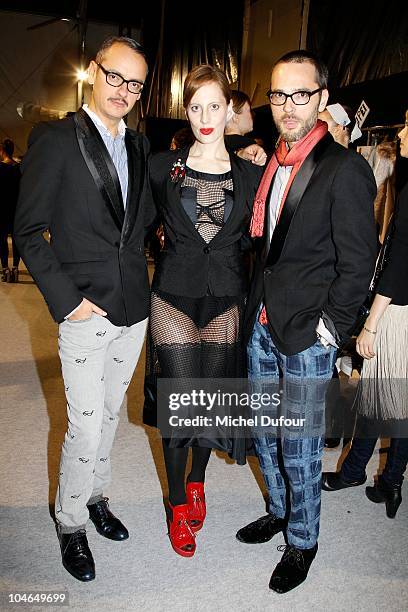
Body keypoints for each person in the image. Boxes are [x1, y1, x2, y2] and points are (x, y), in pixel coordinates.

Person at [235, 50, 377, 593]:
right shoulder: (273, 161)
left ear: (321, 99)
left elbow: (358, 261)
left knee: (299, 445)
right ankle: (277, 508)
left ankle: (303, 540)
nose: (287, 106)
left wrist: (330, 330)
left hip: (307, 334)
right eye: (278, 94)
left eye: (300, 94)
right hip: (263, 323)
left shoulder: (345, 169)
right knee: (265, 433)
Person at [14, 36, 154, 582]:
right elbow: (27, 231)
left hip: (132, 310)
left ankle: (96, 496)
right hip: (83, 311)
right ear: (94, 72)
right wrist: (67, 301)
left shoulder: (141, 147)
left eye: (135, 83)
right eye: (114, 76)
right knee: (85, 424)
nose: (123, 90)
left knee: (110, 415)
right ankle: (71, 522)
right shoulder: (53, 138)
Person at [143, 64, 264, 557]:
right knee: (179, 408)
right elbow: (136, 232)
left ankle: (197, 482)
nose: (204, 116)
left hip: (225, 300)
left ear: (229, 109)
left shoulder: (252, 172)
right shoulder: (159, 167)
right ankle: (176, 506)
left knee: (206, 405)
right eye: (195, 107)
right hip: (173, 296)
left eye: (214, 106)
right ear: (186, 110)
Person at [322, 111, 408, 519]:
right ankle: (390, 481)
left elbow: (398, 264)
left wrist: (371, 324)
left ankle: (356, 472)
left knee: (378, 398)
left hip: (397, 311)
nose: (402, 131)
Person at [0, 139, 21, 282]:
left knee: (1, 239)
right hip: (16, 209)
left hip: (1, 209)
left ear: (2, 151)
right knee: (16, 240)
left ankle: (5, 269)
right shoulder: (18, 169)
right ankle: (15, 268)